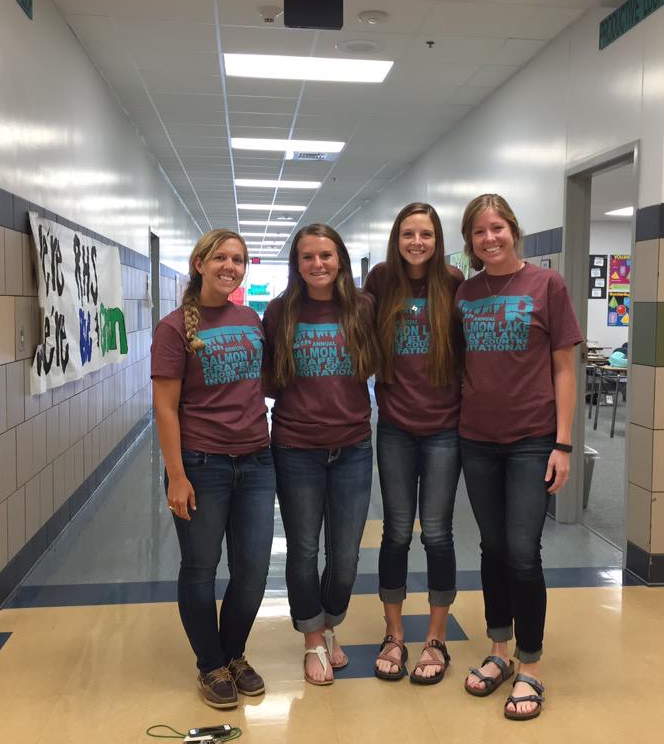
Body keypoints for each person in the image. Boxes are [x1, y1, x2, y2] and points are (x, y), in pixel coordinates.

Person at [455, 194, 582, 721]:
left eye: (498, 228)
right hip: (477, 438)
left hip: (533, 437)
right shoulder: (464, 292)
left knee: (522, 550)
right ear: (471, 240)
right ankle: (499, 650)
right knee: (491, 546)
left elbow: (564, 369)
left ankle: (530, 665)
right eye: (480, 231)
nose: (490, 238)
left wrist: (563, 442)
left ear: (513, 231)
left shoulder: (546, 285)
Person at [151, 228, 274, 711]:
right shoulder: (175, 327)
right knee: (201, 569)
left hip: (257, 460)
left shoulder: (250, 318)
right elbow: (165, 409)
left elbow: (260, 384)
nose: (230, 266)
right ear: (199, 263)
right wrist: (176, 474)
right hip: (202, 464)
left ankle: (234, 654)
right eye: (221, 257)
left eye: (238, 259)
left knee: (254, 571)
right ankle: (211, 665)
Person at [263, 223, 379, 686]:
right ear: (297, 264)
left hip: (353, 445)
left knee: (346, 554)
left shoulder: (362, 308)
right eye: (308, 257)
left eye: (326, 255)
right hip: (295, 446)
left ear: (341, 260)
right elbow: (269, 377)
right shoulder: (279, 312)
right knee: (305, 548)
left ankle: (330, 623)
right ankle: (313, 639)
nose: (318, 265)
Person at [363, 202, 463, 684]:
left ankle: (437, 636)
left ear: (437, 238)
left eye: (425, 234)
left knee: (438, 533)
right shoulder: (382, 280)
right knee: (397, 532)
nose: (417, 242)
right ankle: (395, 634)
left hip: (446, 428)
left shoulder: (454, 282)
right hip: (396, 428)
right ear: (396, 238)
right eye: (408, 234)